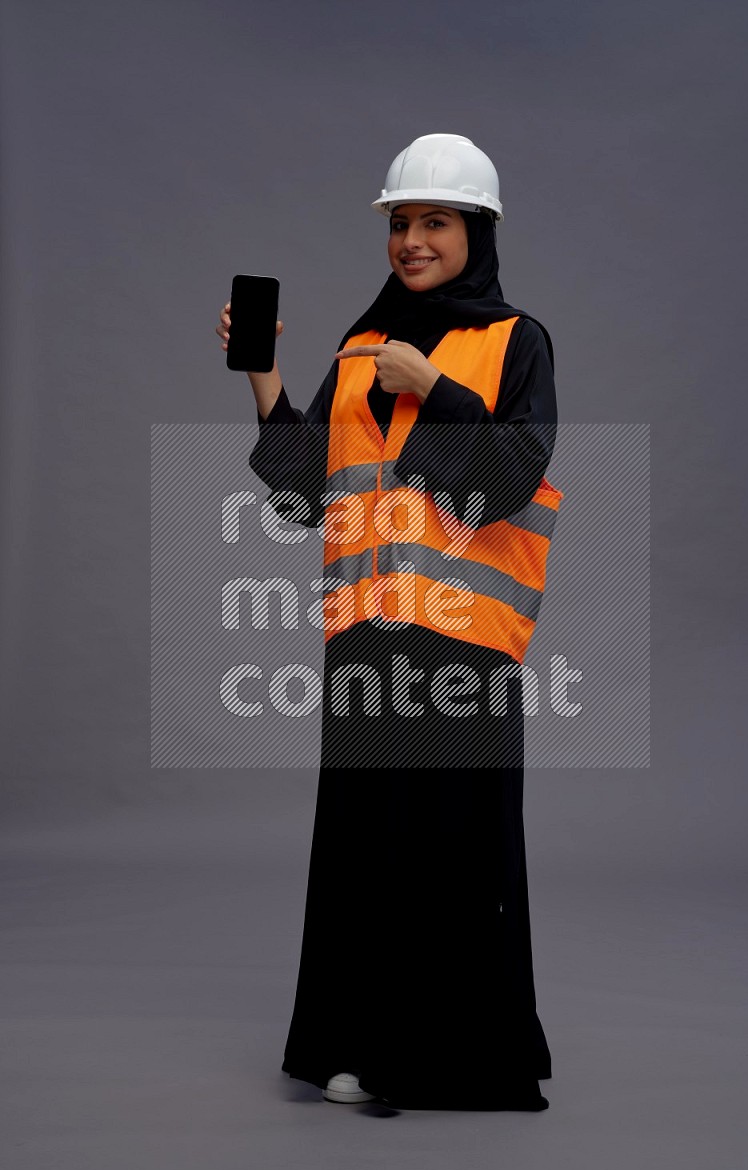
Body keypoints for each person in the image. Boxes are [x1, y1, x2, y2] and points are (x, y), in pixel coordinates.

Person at [215, 133, 563, 1111]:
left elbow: (513, 474)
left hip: (463, 641)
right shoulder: (359, 347)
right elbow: (300, 496)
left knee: (455, 850)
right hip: (365, 637)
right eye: (400, 223)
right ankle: (357, 1045)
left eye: (433, 222)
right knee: (366, 849)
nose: (411, 240)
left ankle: (455, 1060)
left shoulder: (514, 340)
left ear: (476, 231)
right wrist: (265, 379)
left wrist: (435, 389)